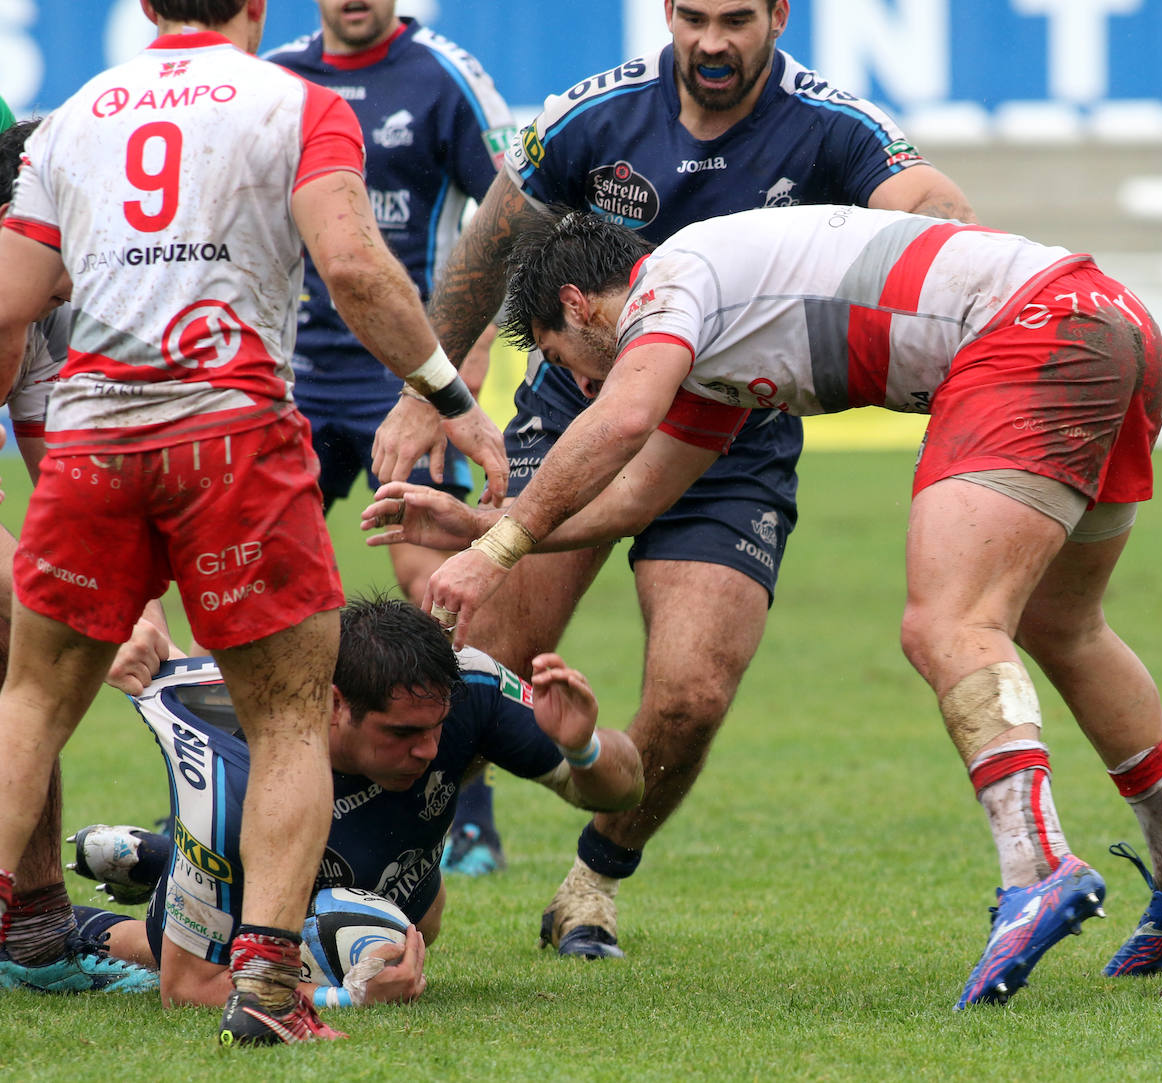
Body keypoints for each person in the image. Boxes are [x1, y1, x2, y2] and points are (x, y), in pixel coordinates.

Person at [370, 205, 1162, 1009]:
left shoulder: (669, 282)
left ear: (583, 304)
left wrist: (497, 550)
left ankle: (1036, 870)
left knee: (947, 623)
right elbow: (637, 498)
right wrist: (480, 520)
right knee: (1065, 628)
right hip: (1112, 325)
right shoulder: (718, 351)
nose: (585, 386)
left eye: (566, 360)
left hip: (1033, 333)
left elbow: (623, 420)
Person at [369, 0, 976, 960]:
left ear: (779, 14)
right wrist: (429, 395)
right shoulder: (590, 117)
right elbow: (487, 251)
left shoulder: (833, 126)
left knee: (691, 694)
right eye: (693, 17)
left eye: (737, 19)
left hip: (735, 440)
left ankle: (592, 883)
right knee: (476, 655)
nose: (712, 42)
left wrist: (941, 231)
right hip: (581, 413)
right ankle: (367, 867)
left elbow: (928, 205)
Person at [0, 0, 507, 1047]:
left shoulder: (73, 116)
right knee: (284, 716)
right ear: (259, 5)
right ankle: (269, 990)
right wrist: (450, 397)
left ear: (146, 6)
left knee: (33, 700)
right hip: (233, 438)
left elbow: (13, 298)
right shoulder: (298, 102)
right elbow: (357, 268)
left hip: (95, 438)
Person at [65, 595, 643, 1010]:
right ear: (335, 705)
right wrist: (344, 997)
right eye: (401, 734)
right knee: (184, 946)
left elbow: (624, 792)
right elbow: (187, 989)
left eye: (438, 727)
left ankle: (162, 858)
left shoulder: (468, 687)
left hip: (393, 887)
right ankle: (119, 903)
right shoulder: (233, 779)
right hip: (245, 863)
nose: (430, 750)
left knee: (422, 918)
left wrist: (584, 748)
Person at [264, 0, 519, 876]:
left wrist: (458, 379)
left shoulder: (445, 77)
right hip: (292, 378)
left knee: (432, 579)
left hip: (406, 379)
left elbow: (509, 225)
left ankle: (461, 802)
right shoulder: (282, 78)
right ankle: (264, 780)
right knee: (262, 580)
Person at [0, 118, 160, 997]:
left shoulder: (32, 314)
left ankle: (34, 938)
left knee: (19, 646)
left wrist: (133, 595)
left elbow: (62, 475)